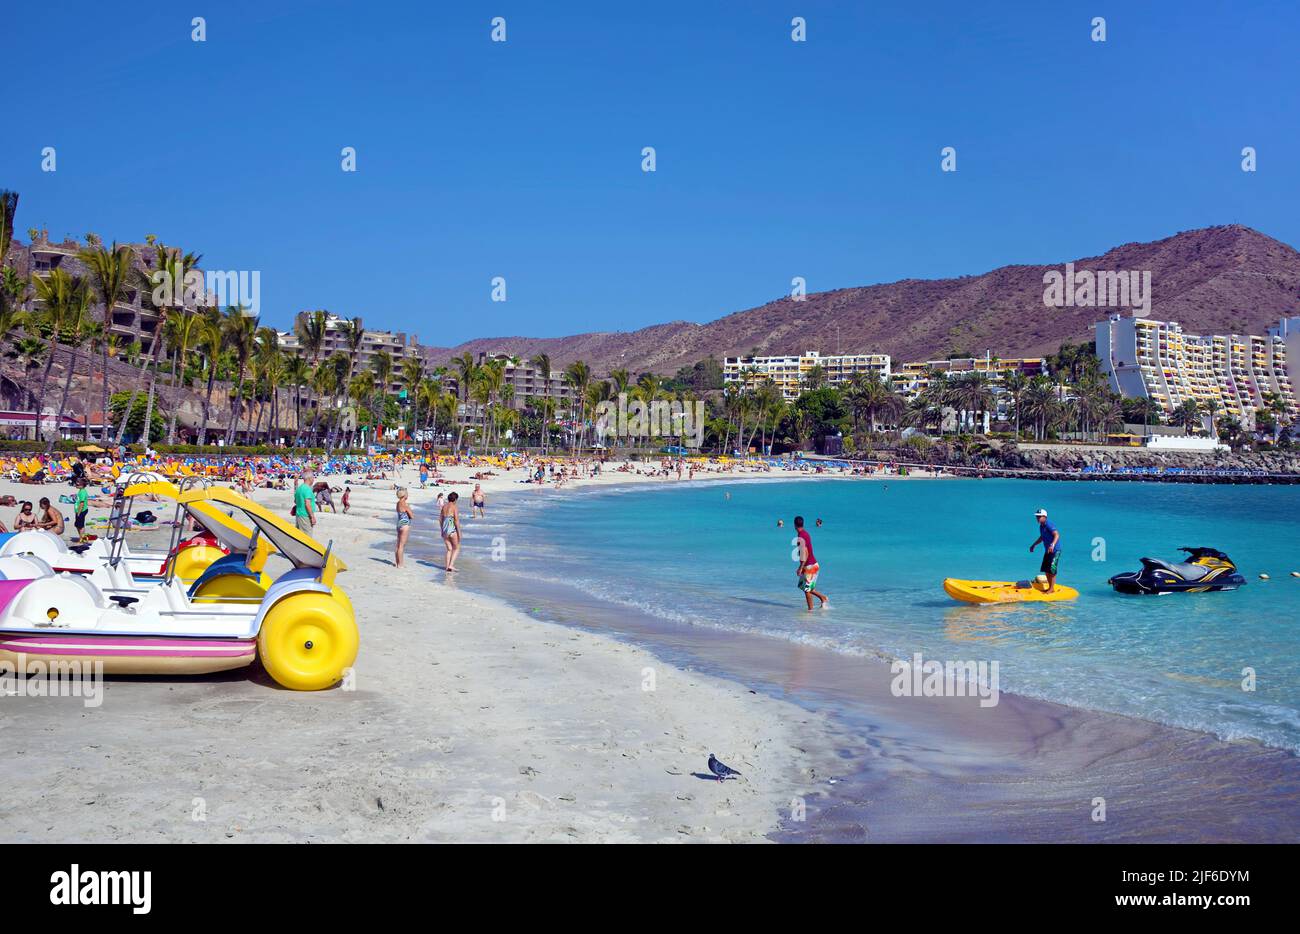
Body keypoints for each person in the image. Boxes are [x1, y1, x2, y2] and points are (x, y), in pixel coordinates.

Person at [794, 515, 827, 611]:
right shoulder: (806, 533)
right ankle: (823, 598)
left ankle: (810, 611)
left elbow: (805, 552)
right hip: (813, 565)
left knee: (806, 590)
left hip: (810, 566)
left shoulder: (800, 536)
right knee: (805, 587)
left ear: (794, 525)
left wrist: (801, 567)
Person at [1029, 507, 1061, 594]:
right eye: (1037, 516)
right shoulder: (1041, 527)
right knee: (1046, 569)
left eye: (1039, 516)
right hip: (1048, 550)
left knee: (1052, 570)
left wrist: (1052, 544)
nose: (1037, 518)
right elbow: (1042, 537)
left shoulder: (1048, 524)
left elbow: (1057, 534)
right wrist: (1034, 545)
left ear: (1044, 517)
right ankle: (1050, 588)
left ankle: (1051, 588)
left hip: (1055, 550)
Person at [440, 491, 461, 572]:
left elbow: (440, 519)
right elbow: (456, 521)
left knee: (449, 549)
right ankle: (451, 565)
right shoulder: (454, 507)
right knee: (456, 548)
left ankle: (447, 567)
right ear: (455, 499)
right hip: (452, 530)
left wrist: (442, 530)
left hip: (445, 530)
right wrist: (459, 533)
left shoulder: (444, 506)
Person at [394, 487, 414, 568]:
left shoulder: (398, 503)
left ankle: (397, 562)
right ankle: (400, 564)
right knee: (402, 545)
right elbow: (412, 516)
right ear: (405, 495)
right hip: (405, 524)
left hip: (399, 523)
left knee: (398, 545)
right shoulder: (405, 504)